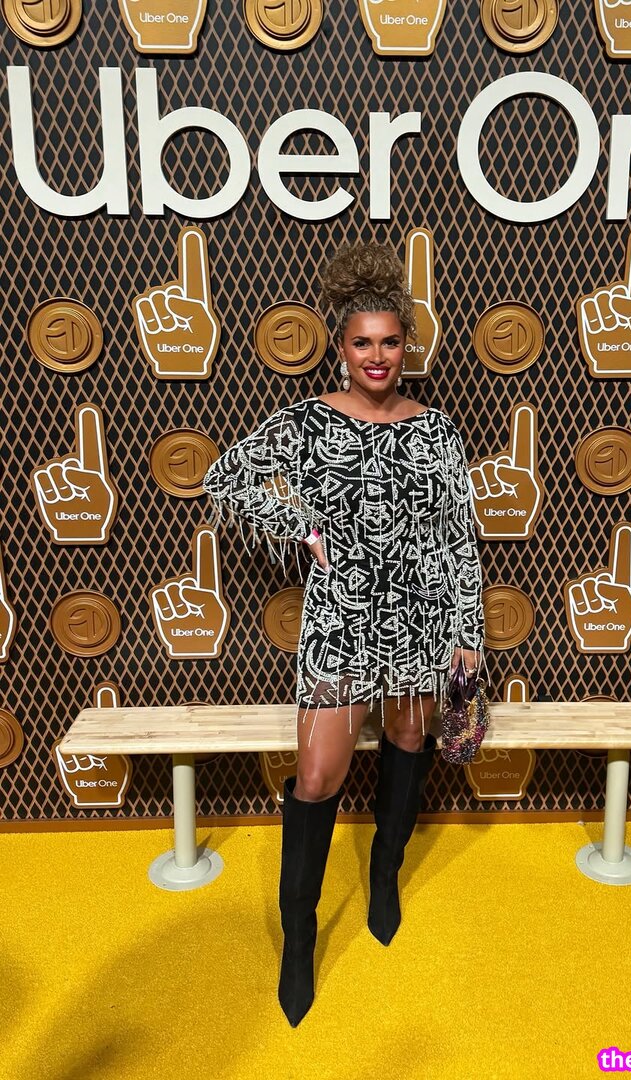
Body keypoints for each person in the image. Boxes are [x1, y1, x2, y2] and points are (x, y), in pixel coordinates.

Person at [202, 240, 487, 1027]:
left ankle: (385, 871)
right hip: (341, 625)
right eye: (362, 342)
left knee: (408, 740)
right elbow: (226, 476)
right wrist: (299, 526)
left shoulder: (438, 429)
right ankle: (300, 936)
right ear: (341, 347)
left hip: (423, 618)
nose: (377, 356)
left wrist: (466, 633)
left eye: (390, 341)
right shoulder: (308, 421)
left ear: (407, 345)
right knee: (319, 774)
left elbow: (459, 538)